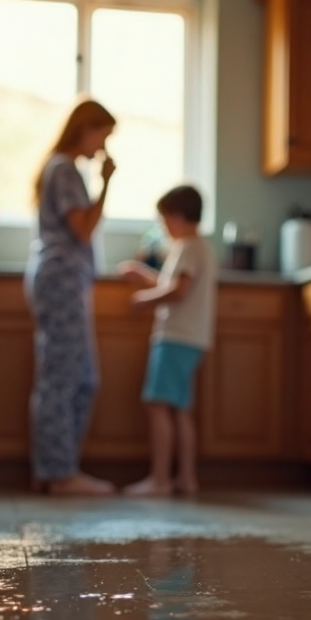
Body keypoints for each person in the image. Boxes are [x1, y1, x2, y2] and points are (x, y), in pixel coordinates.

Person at [26, 99, 118, 496]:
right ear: (86, 128)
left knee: (76, 377)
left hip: (64, 279)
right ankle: (60, 475)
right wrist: (108, 183)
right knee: (65, 378)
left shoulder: (62, 168)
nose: (103, 146)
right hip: (61, 278)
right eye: (103, 135)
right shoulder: (64, 168)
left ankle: (56, 471)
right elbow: (81, 229)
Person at [118, 186, 217, 498]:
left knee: (158, 406)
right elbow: (174, 284)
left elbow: (178, 291)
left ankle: (160, 480)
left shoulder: (186, 246)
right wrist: (145, 275)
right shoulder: (199, 247)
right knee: (180, 410)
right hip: (192, 339)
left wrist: (144, 299)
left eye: (163, 220)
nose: (163, 226)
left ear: (176, 216)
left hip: (175, 338)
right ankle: (186, 479)